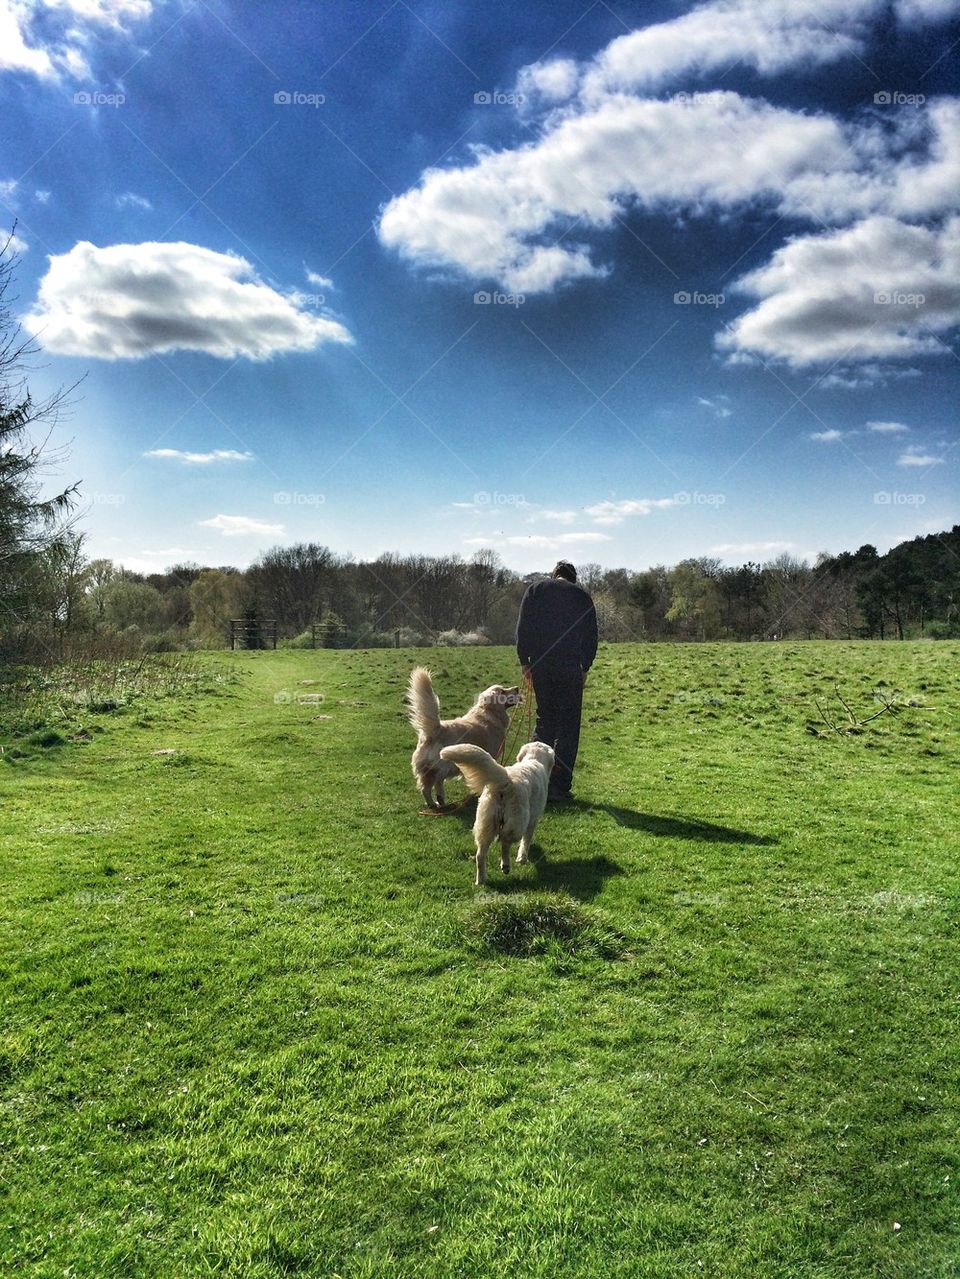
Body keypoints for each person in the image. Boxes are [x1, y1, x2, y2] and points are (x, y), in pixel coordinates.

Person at [515, 561, 598, 801]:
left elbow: (524, 628)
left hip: (541, 664)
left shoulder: (535, 590)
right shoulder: (581, 596)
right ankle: (559, 786)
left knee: (545, 721)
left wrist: (524, 661)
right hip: (569, 666)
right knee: (568, 726)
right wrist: (586, 665)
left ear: (555, 575)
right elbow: (591, 635)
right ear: (572, 578)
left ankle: (532, 779)